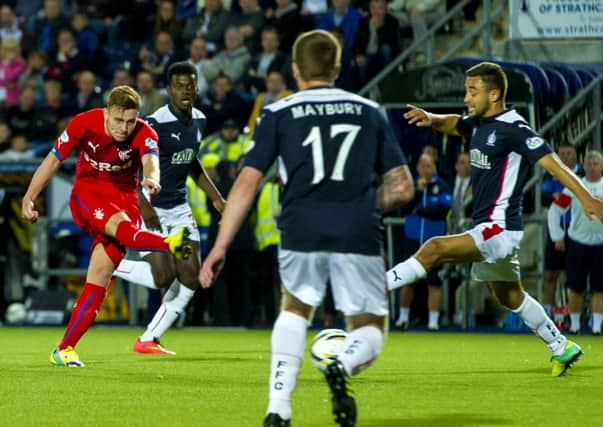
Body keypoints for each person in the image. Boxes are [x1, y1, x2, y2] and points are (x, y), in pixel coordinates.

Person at [199, 30, 414, 427]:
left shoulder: (278, 113)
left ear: (296, 70)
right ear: (337, 68)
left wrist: (219, 245)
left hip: (300, 226)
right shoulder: (369, 110)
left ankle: (278, 406)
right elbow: (402, 187)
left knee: (295, 309)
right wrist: (362, 204)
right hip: (357, 228)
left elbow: (246, 183)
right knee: (369, 326)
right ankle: (342, 363)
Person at [386, 61, 603, 377]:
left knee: (433, 249)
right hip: (489, 228)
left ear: (495, 94)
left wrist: (586, 198)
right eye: (466, 91)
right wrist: (431, 118)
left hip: (498, 228)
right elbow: (454, 123)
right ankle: (561, 346)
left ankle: (373, 288)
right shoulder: (479, 123)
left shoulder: (514, 129)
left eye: (473, 92)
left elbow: (552, 163)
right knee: (508, 295)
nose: (466, 98)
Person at [21, 85, 193, 367]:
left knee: (99, 278)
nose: (124, 128)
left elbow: (151, 161)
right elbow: (53, 160)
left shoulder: (144, 131)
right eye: (118, 120)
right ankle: (169, 243)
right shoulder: (83, 122)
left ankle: (64, 350)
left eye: (130, 121)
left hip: (125, 199)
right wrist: (29, 196)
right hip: (88, 194)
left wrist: (153, 179)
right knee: (123, 229)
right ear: (106, 113)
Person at [113, 62, 225, 355]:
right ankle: (112, 265)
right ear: (168, 89)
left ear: (197, 87)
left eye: (190, 84)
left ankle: (149, 338)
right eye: (179, 85)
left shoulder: (200, 119)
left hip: (179, 212)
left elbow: (191, 163)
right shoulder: (153, 123)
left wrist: (217, 198)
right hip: (151, 209)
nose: (186, 90)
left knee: (190, 276)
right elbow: (130, 167)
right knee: (163, 277)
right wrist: (142, 204)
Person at [547, 150, 603, 335]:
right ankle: (575, 326)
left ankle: (596, 328)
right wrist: (557, 236)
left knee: (599, 288)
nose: (592, 167)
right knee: (575, 287)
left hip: (601, 244)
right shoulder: (574, 187)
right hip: (578, 243)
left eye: (596, 164)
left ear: (601, 166)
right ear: (583, 166)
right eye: (589, 164)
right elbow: (555, 211)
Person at [395, 152, 451, 331]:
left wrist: (419, 211)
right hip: (412, 239)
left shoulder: (442, 185)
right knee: (407, 280)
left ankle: (433, 322)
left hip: (433, 241)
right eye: (422, 165)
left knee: (434, 281)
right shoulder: (411, 186)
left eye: (429, 165)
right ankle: (402, 318)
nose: (425, 169)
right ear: (418, 167)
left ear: (433, 167)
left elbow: (442, 211)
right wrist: (418, 192)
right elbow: (404, 208)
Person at [541, 143, 582, 320]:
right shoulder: (552, 173)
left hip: (578, 232)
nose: (565, 157)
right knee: (550, 274)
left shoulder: (583, 175)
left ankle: (571, 316)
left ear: (576, 156)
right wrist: (553, 198)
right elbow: (544, 198)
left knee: (573, 277)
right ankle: (547, 314)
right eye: (562, 154)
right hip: (556, 229)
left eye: (569, 153)